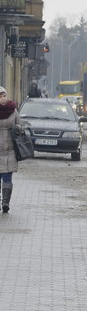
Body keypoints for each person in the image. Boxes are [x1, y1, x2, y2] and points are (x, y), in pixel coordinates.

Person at [0, 85, 22, 214]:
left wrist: (18, 128)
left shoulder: (12, 111)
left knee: (7, 178)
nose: (2, 99)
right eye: (0, 97)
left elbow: (20, 124)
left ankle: (5, 202)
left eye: (4, 96)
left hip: (10, 151)